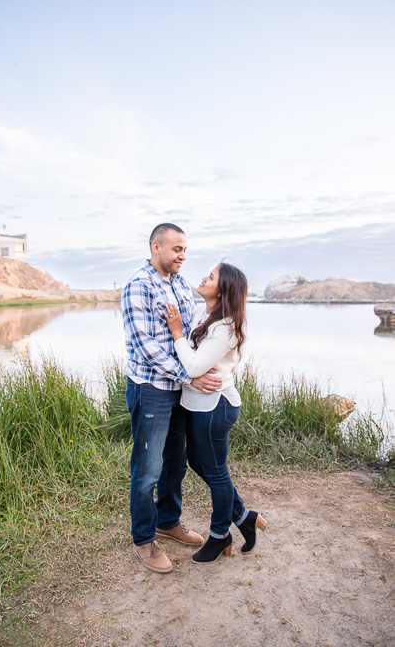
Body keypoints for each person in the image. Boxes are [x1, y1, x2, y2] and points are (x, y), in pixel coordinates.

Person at [121, 223, 223, 573]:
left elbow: (191, 334)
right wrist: (189, 375)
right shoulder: (138, 285)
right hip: (150, 389)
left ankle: (168, 521)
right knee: (147, 469)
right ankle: (144, 539)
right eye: (176, 249)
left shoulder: (180, 285)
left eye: (185, 250)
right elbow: (146, 347)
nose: (182, 255)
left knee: (176, 463)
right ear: (156, 247)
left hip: (180, 389)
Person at [163, 262, 267, 564]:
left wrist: (176, 332)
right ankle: (243, 516)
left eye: (211, 277)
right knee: (199, 463)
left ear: (222, 290)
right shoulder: (204, 313)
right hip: (199, 404)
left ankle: (220, 535)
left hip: (216, 407)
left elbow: (194, 367)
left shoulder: (225, 326)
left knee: (216, 472)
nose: (203, 278)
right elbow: (196, 362)